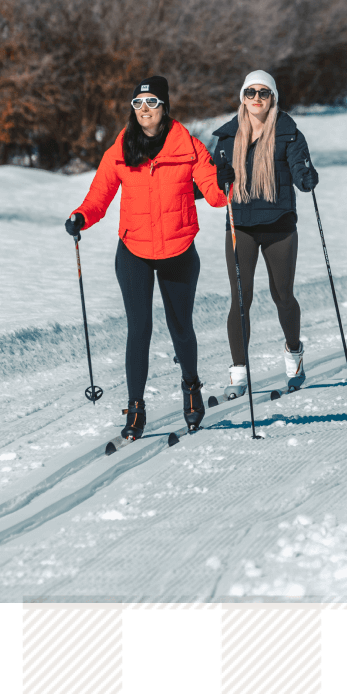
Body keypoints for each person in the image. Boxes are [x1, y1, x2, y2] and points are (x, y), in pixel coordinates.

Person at [64, 75, 228, 442]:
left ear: (165, 107)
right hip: (134, 251)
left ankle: (191, 388)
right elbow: (99, 196)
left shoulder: (188, 147)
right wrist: (81, 217)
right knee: (139, 330)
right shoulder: (121, 149)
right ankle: (135, 407)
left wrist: (227, 181)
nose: (144, 111)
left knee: (180, 326)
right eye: (138, 104)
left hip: (178, 250)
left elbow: (215, 195)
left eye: (152, 103)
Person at [208, 70, 318, 396]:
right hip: (240, 224)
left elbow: (299, 169)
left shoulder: (289, 134)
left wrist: (306, 177)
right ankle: (238, 372)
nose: (256, 99)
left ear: (273, 98)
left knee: (282, 295)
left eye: (263, 93)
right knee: (241, 298)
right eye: (250, 92)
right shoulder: (227, 138)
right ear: (242, 97)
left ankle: (294, 352)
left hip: (279, 224)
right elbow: (214, 181)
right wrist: (220, 177)